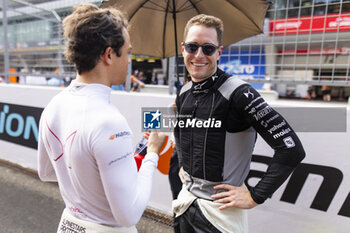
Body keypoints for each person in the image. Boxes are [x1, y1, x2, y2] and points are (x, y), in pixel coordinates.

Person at [37, 4, 165, 233]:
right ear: (108, 55)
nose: (129, 61)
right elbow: (129, 214)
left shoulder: (53, 106)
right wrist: (153, 153)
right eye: (127, 52)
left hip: (68, 225)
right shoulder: (109, 121)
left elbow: (46, 172)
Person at [172, 14, 306, 233]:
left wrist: (255, 196)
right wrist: (183, 166)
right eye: (192, 46)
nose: (198, 55)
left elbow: (291, 149)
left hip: (220, 216)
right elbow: (183, 135)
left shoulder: (239, 93)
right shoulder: (184, 93)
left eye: (208, 48)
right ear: (183, 48)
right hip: (185, 204)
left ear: (219, 52)